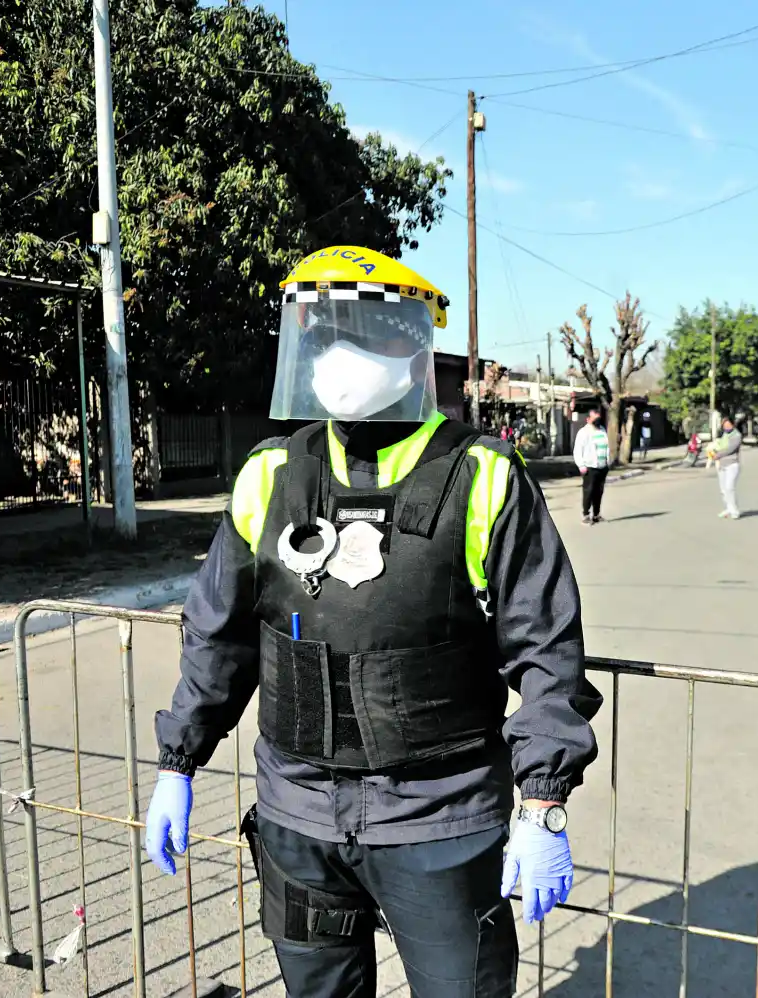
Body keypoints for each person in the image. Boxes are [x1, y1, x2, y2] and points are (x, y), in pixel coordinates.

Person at [143, 245, 601, 998]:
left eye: (363, 332)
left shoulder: (483, 478)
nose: (338, 354)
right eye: (321, 335)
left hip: (440, 822)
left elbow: (548, 649)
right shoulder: (271, 475)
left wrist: (542, 801)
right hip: (299, 818)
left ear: (416, 345)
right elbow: (217, 637)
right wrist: (177, 762)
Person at [574, 407, 611, 524]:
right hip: (589, 466)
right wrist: (581, 465)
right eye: (594, 418)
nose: (597, 420)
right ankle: (585, 514)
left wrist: (608, 462)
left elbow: (606, 446)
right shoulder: (583, 432)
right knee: (588, 491)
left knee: (599, 491)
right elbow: (578, 450)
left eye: (598, 418)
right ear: (588, 419)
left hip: (602, 466)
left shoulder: (602, 430)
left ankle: (596, 514)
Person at [706, 415, 743, 520]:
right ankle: (728, 508)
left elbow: (730, 449)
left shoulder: (736, 435)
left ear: (733, 424)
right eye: (724, 425)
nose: (726, 426)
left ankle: (734, 511)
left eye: (728, 424)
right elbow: (719, 445)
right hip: (722, 464)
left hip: (732, 464)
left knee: (729, 487)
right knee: (723, 489)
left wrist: (717, 455)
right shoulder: (724, 435)